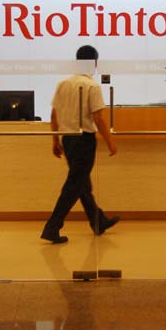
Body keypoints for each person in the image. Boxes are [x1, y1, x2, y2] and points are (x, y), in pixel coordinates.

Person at [41, 45, 120, 244]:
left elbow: (54, 114)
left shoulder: (63, 83)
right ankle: (52, 227)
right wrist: (110, 141)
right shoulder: (92, 86)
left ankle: (98, 220)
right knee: (74, 185)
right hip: (84, 140)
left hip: (68, 139)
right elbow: (98, 118)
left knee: (82, 183)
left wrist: (55, 139)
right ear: (94, 62)